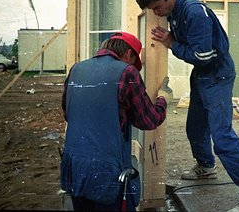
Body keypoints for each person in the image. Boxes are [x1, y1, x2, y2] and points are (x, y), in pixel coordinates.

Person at [136, 0, 239, 212]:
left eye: (157, 7)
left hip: (217, 73)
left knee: (222, 137)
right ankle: (206, 166)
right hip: (202, 75)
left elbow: (203, 56)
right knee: (195, 127)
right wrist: (173, 37)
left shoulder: (194, 12)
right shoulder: (174, 11)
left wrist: (172, 43)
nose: (156, 14)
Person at [60, 31, 172, 211]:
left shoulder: (76, 69)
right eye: (133, 62)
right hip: (107, 172)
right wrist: (163, 99)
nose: (133, 67)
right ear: (128, 54)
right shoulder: (127, 72)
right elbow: (148, 120)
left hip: (75, 168)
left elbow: (68, 112)